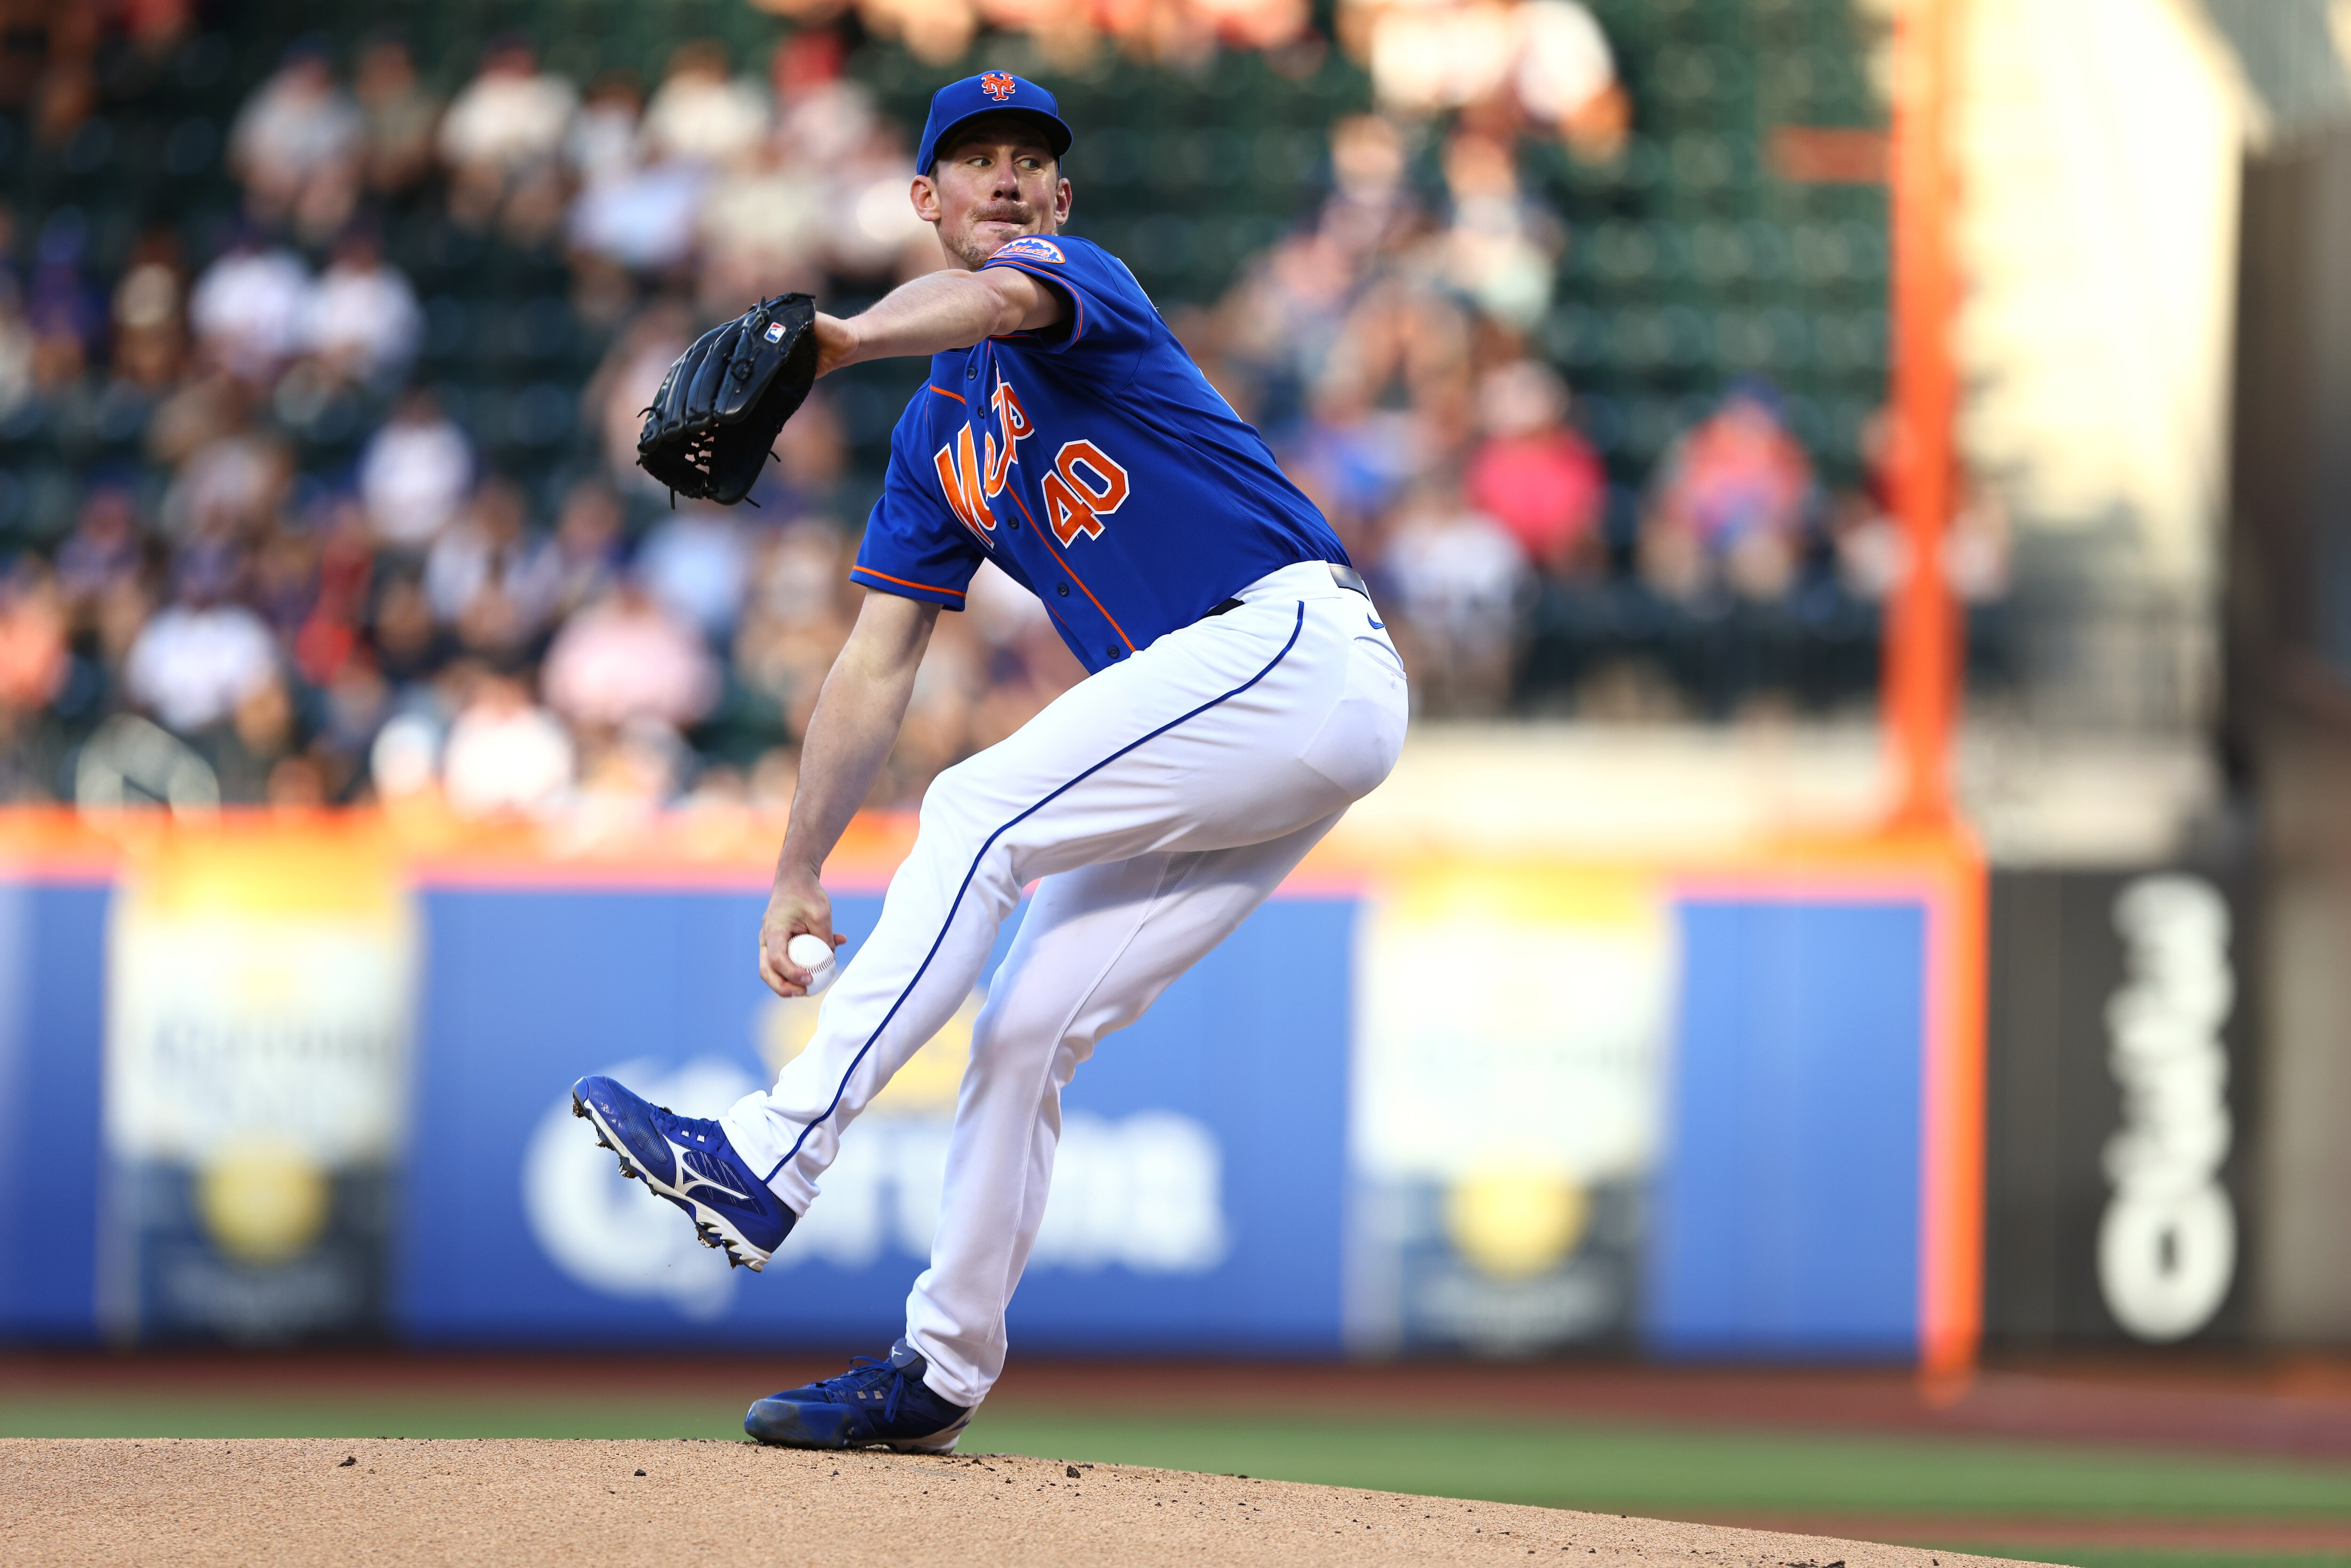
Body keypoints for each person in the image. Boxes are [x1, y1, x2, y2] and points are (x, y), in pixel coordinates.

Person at [570, 72, 1407, 1455]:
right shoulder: (930, 441)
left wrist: (834, 339)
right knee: (1028, 1028)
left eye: (1030, 162)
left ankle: (770, 1154)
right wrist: (796, 869)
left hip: (1292, 645)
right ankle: (942, 1369)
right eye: (976, 162)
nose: (1007, 180)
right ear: (925, 199)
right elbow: (873, 664)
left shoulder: (1078, 284)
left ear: (1059, 201)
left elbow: (1003, 301)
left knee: (976, 808)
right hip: (1245, 710)